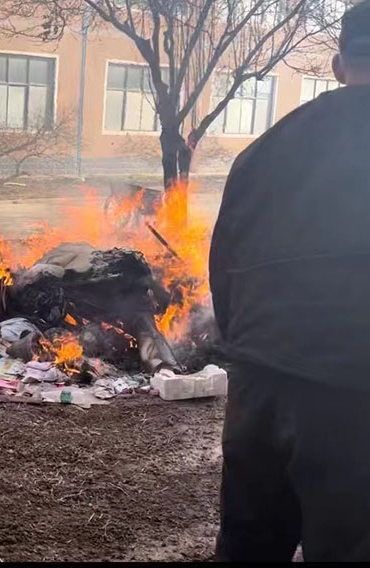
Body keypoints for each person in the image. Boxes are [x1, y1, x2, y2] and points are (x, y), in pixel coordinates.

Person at [210, 2, 370, 562]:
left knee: (248, 548)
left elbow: (224, 271)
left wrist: (251, 353)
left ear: (337, 65)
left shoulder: (263, 150)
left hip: (259, 387)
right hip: (352, 395)